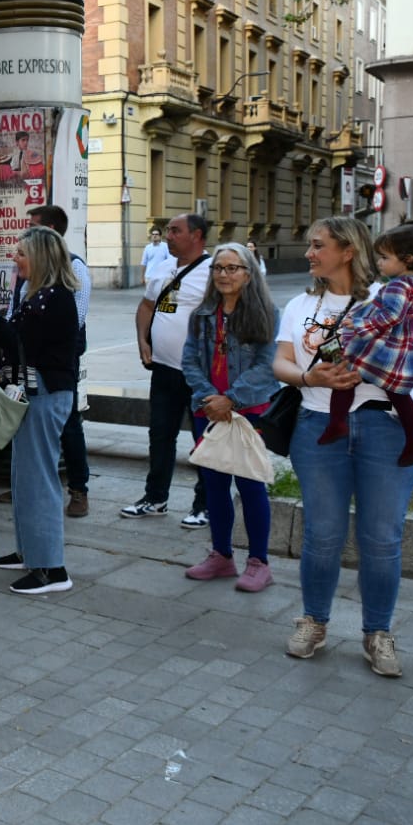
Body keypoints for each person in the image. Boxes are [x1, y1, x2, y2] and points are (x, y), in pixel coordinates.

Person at [273, 216, 413, 677]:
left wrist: (372, 370)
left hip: (386, 426)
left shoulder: (393, 295)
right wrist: (308, 376)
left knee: (381, 538)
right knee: (322, 535)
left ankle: (377, 632)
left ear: (349, 250)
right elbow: (280, 362)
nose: (310, 253)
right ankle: (314, 622)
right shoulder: (299, 305)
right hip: (319, 428)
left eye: (318, 245)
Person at [0, 226, 81, 594]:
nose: (14, 258)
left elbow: (22, 344)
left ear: (42, 258)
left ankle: (52, 569)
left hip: (46, 395)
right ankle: (30, 551)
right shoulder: (38, 295)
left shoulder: (56, 298)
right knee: (23, 477)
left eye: (21, 253)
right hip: (33, 393)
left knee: (39, 479)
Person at [180, 243, 280, 592]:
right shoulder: (202, 315)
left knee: (251, 486)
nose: (224, 274)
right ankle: (222, 556)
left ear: (249, 273)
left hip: (248, 413)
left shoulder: (267, 312)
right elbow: (189, 360)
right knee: (214, 486)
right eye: (218, 268)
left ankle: (259, 563)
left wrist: (231, 400)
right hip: (206, 411)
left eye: (232, 268)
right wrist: (211, 398)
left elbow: (268, 366)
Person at [319, 222, 413, 466]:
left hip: (391, 351)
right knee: (399, 395)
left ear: (407, 259)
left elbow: (390, 317)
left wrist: (360, 326)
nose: (380, 263)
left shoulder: (398, 286)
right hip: (411, 352)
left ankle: (336, 424)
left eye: (384, 257)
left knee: (345, 376)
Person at [124, 212, 213, 526]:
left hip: (199, 374)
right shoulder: (163, 267)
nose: (168, 235)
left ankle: (205, 504)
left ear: (197, 236)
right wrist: (142, 340)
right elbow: (147, 305)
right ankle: (155, 497)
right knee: (160, 435)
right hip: (163, 369)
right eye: (168, 230)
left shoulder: (214, 272)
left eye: (176, 230)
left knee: (204, 440)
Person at [14, 205, 91, 517]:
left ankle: (78, 489)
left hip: (56, 366)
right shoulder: (31, 275)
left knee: (68, 425)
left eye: (34, 226)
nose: (29, 230)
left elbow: (75, 317)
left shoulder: (72, 273)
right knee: (32, 441)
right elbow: (16, 310)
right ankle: (28, 488)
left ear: (50, 235)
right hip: (33, 367)